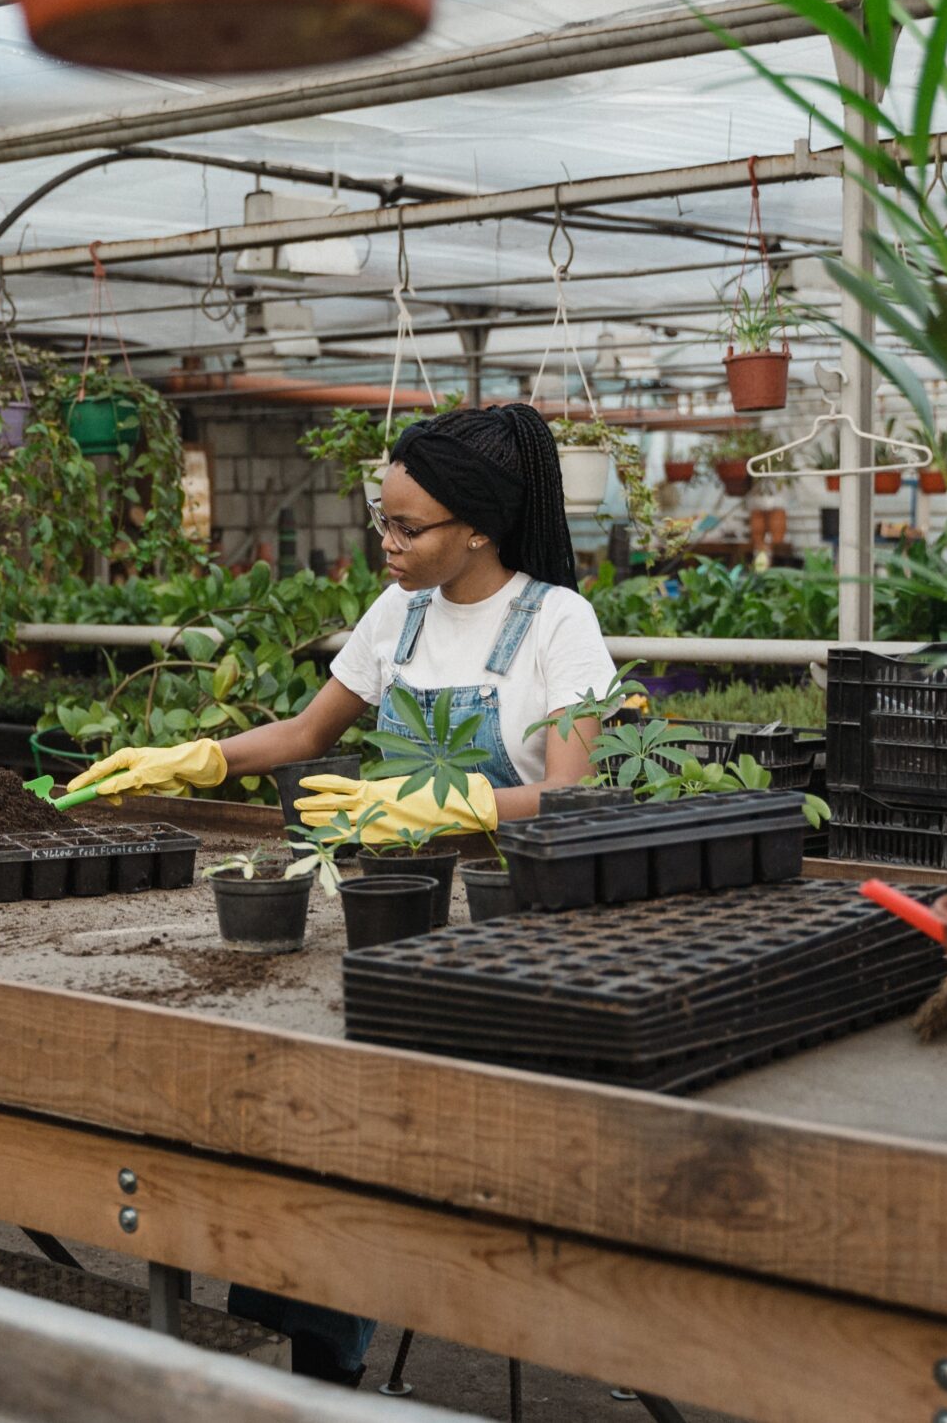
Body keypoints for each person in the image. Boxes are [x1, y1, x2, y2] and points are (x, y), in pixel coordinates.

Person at [64, 401, 621, 1384]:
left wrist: (452, 799)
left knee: (359, 1152)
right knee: (292, 1130)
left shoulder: (557, 625)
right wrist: (197, 758)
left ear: (479, 528)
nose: (387, 543)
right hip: (384, 915)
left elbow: (572, 797)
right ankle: (281, 1364)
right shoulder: (395, 615)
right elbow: (305, 736)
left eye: (408, 528)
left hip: (501, 936)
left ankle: (310, 1371)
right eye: (383, 520)